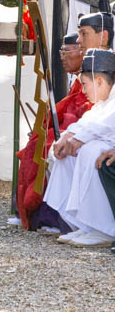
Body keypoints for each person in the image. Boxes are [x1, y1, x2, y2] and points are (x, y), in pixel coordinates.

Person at [15, 33, 93, 230]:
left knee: (47, 145)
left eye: (67, 52)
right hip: (78, 129)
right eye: (61, 52)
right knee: (38, 143)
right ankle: (36, 213)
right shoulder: (78, 79)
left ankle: (52, 216)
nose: (62, 57)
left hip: (90, 132)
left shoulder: (100, 71)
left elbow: (88, 110)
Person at [42, 49, 115, 247]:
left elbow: (105, 124)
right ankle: (85, 224)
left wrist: (80, 139)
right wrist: (67, 137)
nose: (83, 91)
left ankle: (105, 227)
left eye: (85, 84)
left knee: (92, 151)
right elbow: (87, 122)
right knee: (68, 154)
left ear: (99, 80)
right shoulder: (104, 102)